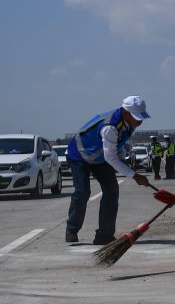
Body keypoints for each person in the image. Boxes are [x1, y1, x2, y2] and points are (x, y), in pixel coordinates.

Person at [65, 96, 152, 244]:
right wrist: (135, 175)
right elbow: (111, 158)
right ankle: (71, 229)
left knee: (111, 191)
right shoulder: (110, 127)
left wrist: (123, 157)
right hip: (79, 156)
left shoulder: (129, 123)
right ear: (125, 112)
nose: (140, 121)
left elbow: (117, 147)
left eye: (141, 117)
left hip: (100, 158)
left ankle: (104, 235)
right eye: (137, 117)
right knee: (82, 192)